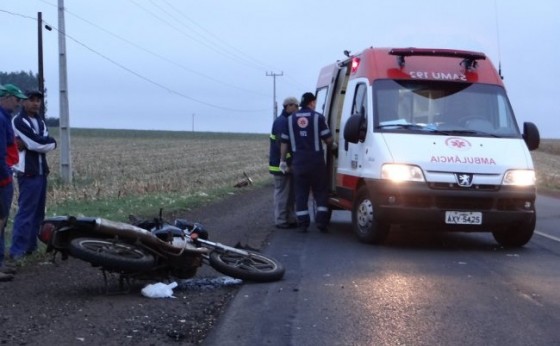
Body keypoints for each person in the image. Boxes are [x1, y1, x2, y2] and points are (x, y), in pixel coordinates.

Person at [9, 89, 57, 262]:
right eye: (32, 100)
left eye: (38, 100)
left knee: (38, 213)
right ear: (23, 102)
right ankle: (17, 250)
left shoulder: (40, 122)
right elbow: (37, 143)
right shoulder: (19, 121)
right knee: (26, 212)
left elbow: (41, 143)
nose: (36, 103)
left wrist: (47, 142)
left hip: (41, 171)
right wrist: (46, 142)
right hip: (28, 172)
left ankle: (30, 247)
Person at [280, 92, 334, 233]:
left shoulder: (290, 120)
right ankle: (321, 222)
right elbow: (328, 140)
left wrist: (282, 161)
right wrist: (333, 147)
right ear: (312, 103)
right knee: (320, 192)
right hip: (316, 163)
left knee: (301, 193)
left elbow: (284, 142)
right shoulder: (318, 118)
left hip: (299, 163)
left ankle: (303, 223)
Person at [0, 84, 27, 281]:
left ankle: (1, 261)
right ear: (7, 97)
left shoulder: (5, 118)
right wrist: (5, 178)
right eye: (17, 99)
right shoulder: (1, 119)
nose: (19, 103)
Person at [269, 97, 299, 229]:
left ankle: (290, 218)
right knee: (282, 194)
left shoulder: (286, 120)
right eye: (296, 106)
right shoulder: (282, 122)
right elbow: (281, 145)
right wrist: (286, 163)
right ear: (289, 106)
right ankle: (281, 220)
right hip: (281, 166)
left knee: (290, 194)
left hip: (285, 164)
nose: (297, 109)